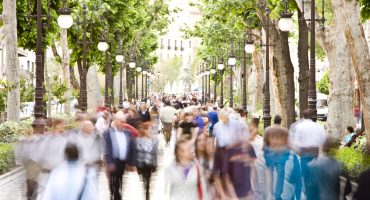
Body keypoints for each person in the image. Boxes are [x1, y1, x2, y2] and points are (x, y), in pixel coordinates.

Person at [289, 109, 327, 200]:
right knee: (315, 182)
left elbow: (295, 144)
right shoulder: (318, 127)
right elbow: (324, 142)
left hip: (304, 156)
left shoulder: (299, 127)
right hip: (317, 156)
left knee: (304, 181)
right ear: (313, 117)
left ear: (303, 116)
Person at [103, 112, 137, 200]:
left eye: (123, 121)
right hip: (112, 160)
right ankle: (113, 191)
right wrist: (109, 162)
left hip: (122, 161)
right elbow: (106, 148)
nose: (122, 124)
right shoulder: (108, 133)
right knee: (112, 178)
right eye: (120, 121)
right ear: (115, 122)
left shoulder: (128, 133)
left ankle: (117, 191)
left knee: (120, 177)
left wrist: (131, 163)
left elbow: (131, 148)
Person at [263, 125, 302, 200]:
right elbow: (288, 143)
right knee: (280, 175)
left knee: (270, 174)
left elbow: (266, 142)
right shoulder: (284, 130)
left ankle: (270, 194)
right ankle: (278, 193)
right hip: (281, 156)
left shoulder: (269, 129)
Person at [135, 122, 158, 200]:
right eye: (149, 129)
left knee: (148, 179)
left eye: (151, 129)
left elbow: (155, 153)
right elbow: (136, 152)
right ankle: (145, 186)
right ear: (144, 130)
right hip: (141, 162)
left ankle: (147, 190)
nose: (150, 131)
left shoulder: (154, 140)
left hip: (150, 163)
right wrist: (136, 165)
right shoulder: (138, 139)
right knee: (144, 178)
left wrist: (155, 164)